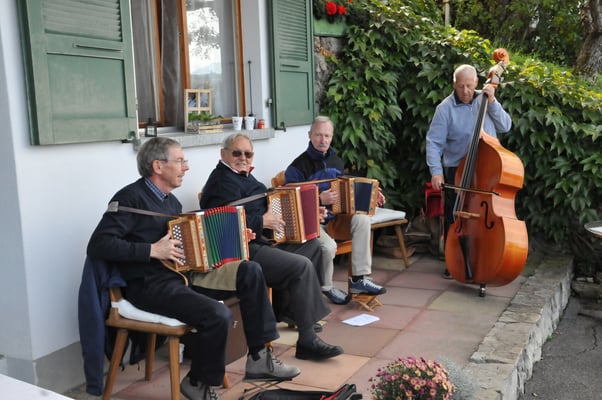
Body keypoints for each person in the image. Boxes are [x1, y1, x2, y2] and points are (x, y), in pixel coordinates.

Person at [87, 137, 300, 400]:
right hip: (149, 285)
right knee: (217, 315)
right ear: (158, 166)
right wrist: (151, 250)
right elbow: (98, 245)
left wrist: (234, 238)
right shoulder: (130, 198)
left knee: (250, 271)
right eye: (180, 161)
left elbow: (187, 248)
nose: (186, 167)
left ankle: (260, 358)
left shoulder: (171, 202)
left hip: (181, 275)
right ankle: (197, 383)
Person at [200, 133, 344, 361]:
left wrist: (309, 211)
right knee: (301, 266)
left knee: (315, 247)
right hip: (243, 251)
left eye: (248, 154)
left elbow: (269, 204)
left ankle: (293, 312)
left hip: (265, 242)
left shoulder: (245, 177)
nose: (243, 158)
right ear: (223, 154)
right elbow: (219, 223)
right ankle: (307, 340)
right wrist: (261, 221)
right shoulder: (220, 183)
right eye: (237, 153)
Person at [284, 116, 387, 304]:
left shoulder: (336, 161)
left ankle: (359, 279)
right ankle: (326, 287)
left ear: (332, 137)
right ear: (309, 135)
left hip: (335, 220)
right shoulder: (296, 167)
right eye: (318, 135)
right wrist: (319, 199)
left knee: (362, 219)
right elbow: (289, 202)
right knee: (328, 246)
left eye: (327, 136)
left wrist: (373, 194)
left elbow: (347, 191)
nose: (323, 140)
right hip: (311, 223)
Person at [425, 64, 512, 278]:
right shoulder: (445, 109)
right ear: (454, 84)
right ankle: (453, 261)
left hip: (487, 169)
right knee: (454, 216)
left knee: (486, 216)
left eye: (469, 86)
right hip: (458, 170)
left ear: (476, 83)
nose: (465, 91)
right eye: (461, 86)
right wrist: (436, 171)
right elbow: (434, 142)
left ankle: (487, 257)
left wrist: (492, 103)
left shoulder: (486, 99)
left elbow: (506, 126)